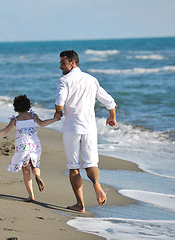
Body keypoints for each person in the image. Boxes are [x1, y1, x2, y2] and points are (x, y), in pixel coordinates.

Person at [54, 50, 117, 212]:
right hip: (89, 129)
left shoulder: (64, 80)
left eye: (63, 63)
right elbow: (109, 101)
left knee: (74, 167)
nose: (60, 66)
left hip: (72, 129)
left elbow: (59, 102)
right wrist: (112, 117)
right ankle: (96, 185)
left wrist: (58, 112)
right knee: (91, 163)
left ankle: (80, 204)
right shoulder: (91, 79)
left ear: (72, 63)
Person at [0, 95, 60, 202]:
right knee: (35, 165)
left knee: (26, 170)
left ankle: (31, 195)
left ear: (16, 108)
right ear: (28, 105)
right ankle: (38, 177)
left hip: (22, 145)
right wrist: (55, 119)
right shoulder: (33, 115)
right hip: (34, 144)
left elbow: (5, 131)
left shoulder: (15, 119)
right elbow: (42, 123)